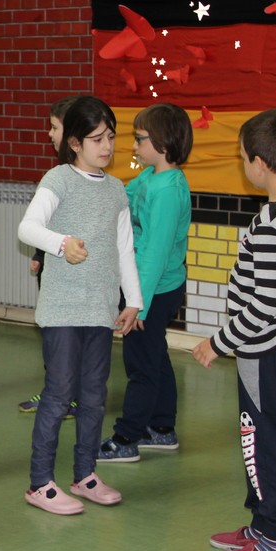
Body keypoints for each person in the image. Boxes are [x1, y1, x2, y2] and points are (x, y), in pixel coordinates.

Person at [193, 108, 276, 551]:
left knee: (264, 441)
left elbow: (264, 306)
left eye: (243, 157)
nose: (243, 164)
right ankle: (263, 524)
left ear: (260, 164)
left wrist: (218, 342)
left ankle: (275, 542)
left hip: (266, 348)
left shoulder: (271, 225)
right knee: (265, 436)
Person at [16, 96, 142, 515]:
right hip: (63, 310)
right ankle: (40, 483)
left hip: (100, 310)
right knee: (58, 396)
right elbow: (28, 227)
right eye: (96, 139)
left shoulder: (116, 189)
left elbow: (124, 249)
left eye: (111, 137)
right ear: (74, 142)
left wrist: (134, 300)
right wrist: (61, 243)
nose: (106, 146)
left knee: (93, 396)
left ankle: (85, 475)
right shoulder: (58, 179)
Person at [99, 103, 193, 463]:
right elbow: (123, 196)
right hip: (145, 287)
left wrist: (138, 305)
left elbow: (155, 253)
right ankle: (162, 428)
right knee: (155, 356)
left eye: (140, 139)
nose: (134, 146)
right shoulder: (151, 177)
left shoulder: (168, 190)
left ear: (163, 143)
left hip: (153, 290)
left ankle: (127, 437)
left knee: (140, 365)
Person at [20, 95, 81, 415]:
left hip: (69, 276)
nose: (49, 134)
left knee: (67, 339)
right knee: (53, 338)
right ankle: (56, 391)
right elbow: (49, 224)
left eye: (54, 127)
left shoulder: (77, 177)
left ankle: (69, 396)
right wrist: (40, 255)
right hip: (53, 268)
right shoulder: (58, 173)